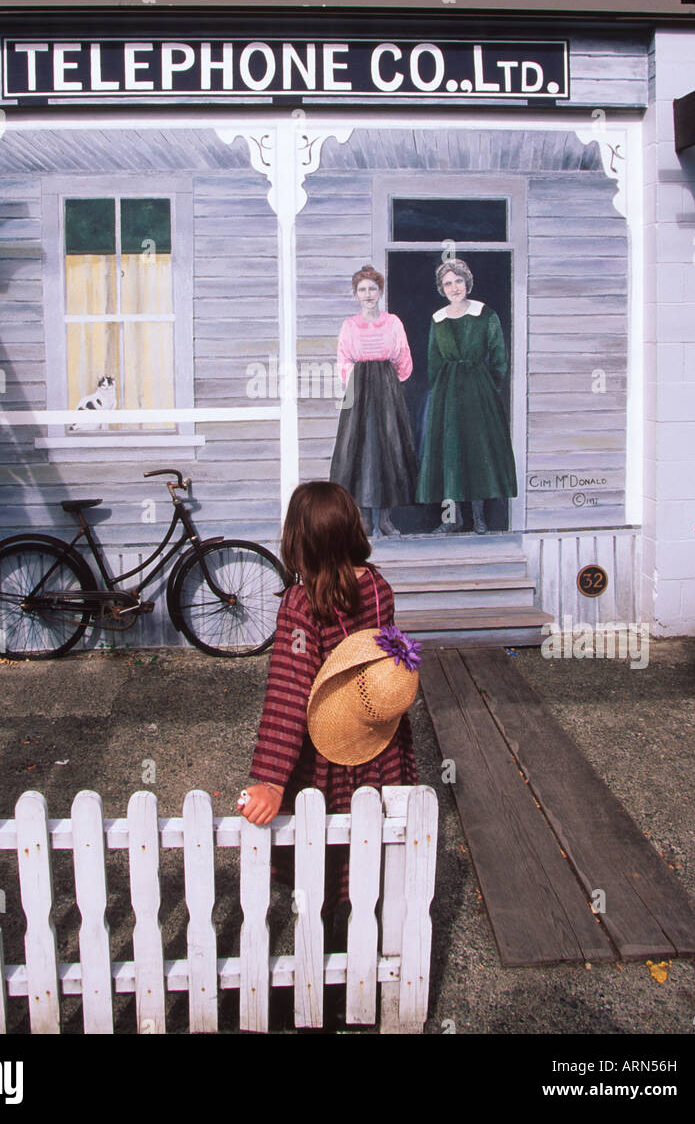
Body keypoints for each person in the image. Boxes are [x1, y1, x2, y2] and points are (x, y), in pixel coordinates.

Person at [239, 481, 418, 919]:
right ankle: (368, 926)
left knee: (323, 848)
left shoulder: (303, 603)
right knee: (370, 838)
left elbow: (289, 690)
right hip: (377, 737)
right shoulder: (378, 587)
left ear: (298, 539)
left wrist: (272, 778)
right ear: (351, 529)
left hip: (328, 748)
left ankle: (323, 949)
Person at [416, 257, 517, 533]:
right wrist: (441, 394)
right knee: (451, 455)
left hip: (478, 392)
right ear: (442, 288)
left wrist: (485, 387)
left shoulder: (486, 315)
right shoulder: (437, 320)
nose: (454, 287)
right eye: (448, 283)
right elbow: (433, 361)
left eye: (458, 281)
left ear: (467, 282)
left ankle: (479, 518)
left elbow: (499, 358)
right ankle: (452, 519)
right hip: (447, 397)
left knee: (477, 453)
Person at [329, 264, 417, 536]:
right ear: (356, 294)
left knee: (388, 449)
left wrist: (390, 384)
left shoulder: (393, 322)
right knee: (360, 450)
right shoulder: (349, 325)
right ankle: (365, 520)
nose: (368, 294)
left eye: (372, 289)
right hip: (359, 390)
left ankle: (386, 520)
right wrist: (355, 386)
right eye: (362, 290)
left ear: (380, 292)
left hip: (387, 388)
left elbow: (403, 357)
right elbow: (343, 359)